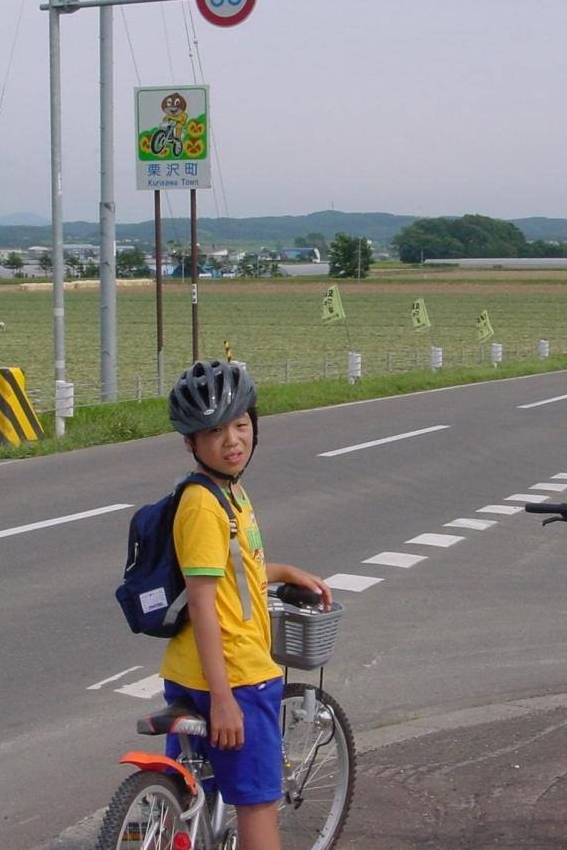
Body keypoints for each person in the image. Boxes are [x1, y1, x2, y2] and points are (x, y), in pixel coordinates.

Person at [160, 359, 331, 850]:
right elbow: (203, 603)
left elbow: (231, 572)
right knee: (257, 803)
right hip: (235, 676)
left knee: (190, 799)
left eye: (240, 425)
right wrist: (223, 699)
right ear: (190, 442)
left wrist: (283, 571)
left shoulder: (228, 492)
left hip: (191, 670)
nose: (232, 440)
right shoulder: (204, 505)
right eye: (214, 431)